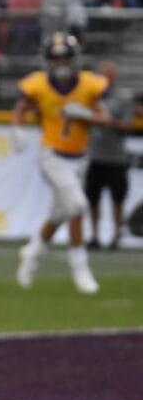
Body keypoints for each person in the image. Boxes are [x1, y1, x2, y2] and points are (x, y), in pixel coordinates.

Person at [13, 33, 109, 294]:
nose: (60, 63)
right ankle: (80, 266)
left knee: (59, 213)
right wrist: (19, 131)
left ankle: (32, 252)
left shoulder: (88, 84)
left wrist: (86, 114)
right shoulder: (39, 85)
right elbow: (21, 109)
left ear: (75, 58)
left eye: (65, 57)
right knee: (77, 205)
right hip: (52, 155)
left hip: (80, 157)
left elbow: (105, 117)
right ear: (48, 61)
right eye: (55, 59)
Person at [85, 60, 136, 250]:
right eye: (103, 74)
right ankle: (94, 235)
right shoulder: (90, 97)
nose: (106, 78)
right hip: (95, 156)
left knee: (117, 199)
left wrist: (109, 123)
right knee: (93, 199)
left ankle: (116, 236)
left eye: (109, 74)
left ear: (114, 77)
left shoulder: (123, 98)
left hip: (116, 158)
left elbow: (128, 126)